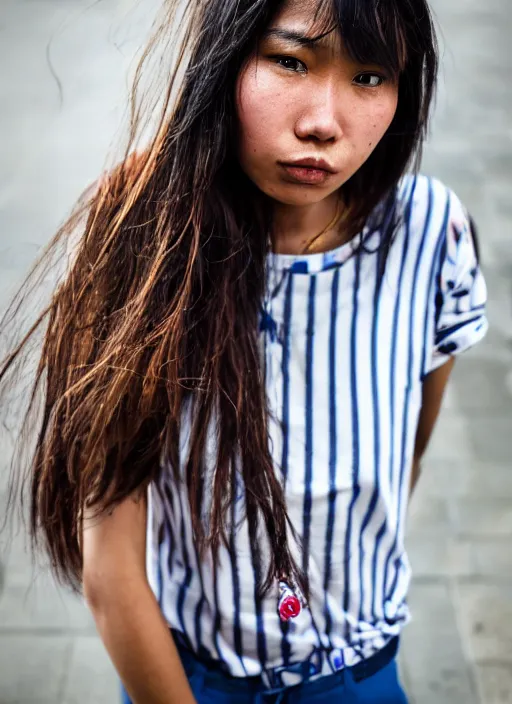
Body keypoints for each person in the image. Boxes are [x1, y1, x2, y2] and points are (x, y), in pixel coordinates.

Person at [0, 0, 488, 702]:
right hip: (186, 675)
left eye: (370, 77)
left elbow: (404, 455)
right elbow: (110, 573)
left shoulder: (432, 237)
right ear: (225, 57)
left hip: (360, 674)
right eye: (290, 61)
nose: (324, 122)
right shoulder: (148, 235)